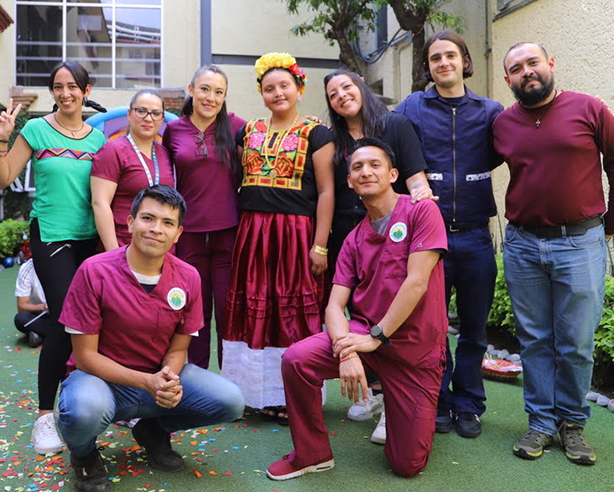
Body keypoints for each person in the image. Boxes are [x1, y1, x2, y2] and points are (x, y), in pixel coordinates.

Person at [266, 138, 448, 480]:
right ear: (349, 181)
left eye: (375, 165)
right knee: (297, 359)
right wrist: (346, 351)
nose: (366, 172)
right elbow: (334, 305)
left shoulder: (422, 211)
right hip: (364, 339)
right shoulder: (353, 239)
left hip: (414, 350)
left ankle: (398, 409)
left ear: (393, 174)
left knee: (406, 466)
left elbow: (417, 283)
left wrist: (376, 337)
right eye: (357, 167)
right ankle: (311, 453)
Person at [493, 42, 614, 465]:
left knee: (575, 342)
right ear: (508, 81)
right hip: (522, 244)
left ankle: (572, 425)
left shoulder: (589, 109)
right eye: (516, 69)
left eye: (533, 63)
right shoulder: (502, 124)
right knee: (535, 340)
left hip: (579, 242)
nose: (527, 72)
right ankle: (540, 423)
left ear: (551, 65)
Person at [56, 185, 245, 492]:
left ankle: (152, 430)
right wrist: (148, 383)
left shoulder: (188, 277)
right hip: (99, 380)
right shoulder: (94, 271)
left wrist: (168, 377)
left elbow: (180, 345)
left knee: (231, 401)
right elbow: (85, 357)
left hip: (154, 381)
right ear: (130, 222)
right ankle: (84, 454)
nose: (156, 229)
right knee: (83, 410)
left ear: (179, 232)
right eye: (148, 218)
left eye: (167, 223)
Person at [0, 61, 107, 455]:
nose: (65, 93)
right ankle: (44, 417)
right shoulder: (37, 129)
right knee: (64, 320)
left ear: (86, 90)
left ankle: (92, 401)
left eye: (72, 86)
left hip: (90, 240)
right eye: (57, 86)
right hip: (51, 236)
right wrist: (2, 140)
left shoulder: (99, 138)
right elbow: (2, 178)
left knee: (93, 321)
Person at [395, 30, 504, 439]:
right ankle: (438, 401)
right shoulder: (411, 108)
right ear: (429, 66)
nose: (443, 63)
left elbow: (503, 151)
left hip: (475, 236)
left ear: (464, 61)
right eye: (435, 58)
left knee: (474, 329)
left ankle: (469, 405)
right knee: (433, 328)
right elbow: (395, 151)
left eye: (450, 56)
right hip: (428, 241)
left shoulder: (490, 110)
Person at [223, 52, 335, 424]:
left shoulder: (317, 134)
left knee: (291, 314)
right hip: (253, 234)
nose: (277, 93)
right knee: (255, 309)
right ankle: (252, 393)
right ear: (261, 93)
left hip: (295, 235)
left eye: (284, 85)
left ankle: (294, 395)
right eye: (269, 88)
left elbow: (327, 192)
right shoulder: (248, 131)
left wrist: (320, 244)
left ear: (299, 88)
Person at [323, 69, 433, 437]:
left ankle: (393, 400)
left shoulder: (394, 124)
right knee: (354, 310)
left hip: (394, 232)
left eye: (347, 87)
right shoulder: (333, 140)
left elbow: (416, 178)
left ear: (361, 89)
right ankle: (367, 390)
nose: (341, 95)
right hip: (349, 234)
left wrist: (423, 205)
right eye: (333, 94)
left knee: (392, 307)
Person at [162, 65, 247, 370]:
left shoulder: (238, 127)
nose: (211, 98)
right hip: (189, 235)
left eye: (218, 92)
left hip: (228, 233)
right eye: (205, 89)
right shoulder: (173, 130)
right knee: (193, 311)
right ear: (191, 89)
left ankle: (232, 380)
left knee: (228, 310)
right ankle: (198, 377)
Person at [92, 90, 175, 252]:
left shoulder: (164, 154)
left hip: (157, 247)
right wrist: (114, 254)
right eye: (141, 111)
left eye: (156, 113)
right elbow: (100, 204)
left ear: (162, 119)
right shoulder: (112, 151)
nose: (148, 118)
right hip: (123, 245)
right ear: (129, 114)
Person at [13, 258, 53, 348]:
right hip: (43, 314)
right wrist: (44, 306)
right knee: (21, 319)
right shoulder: (27, 268)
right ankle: (61, 335)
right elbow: (22, 305)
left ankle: (41, 335)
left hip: (64, 314)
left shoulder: (63, 262)